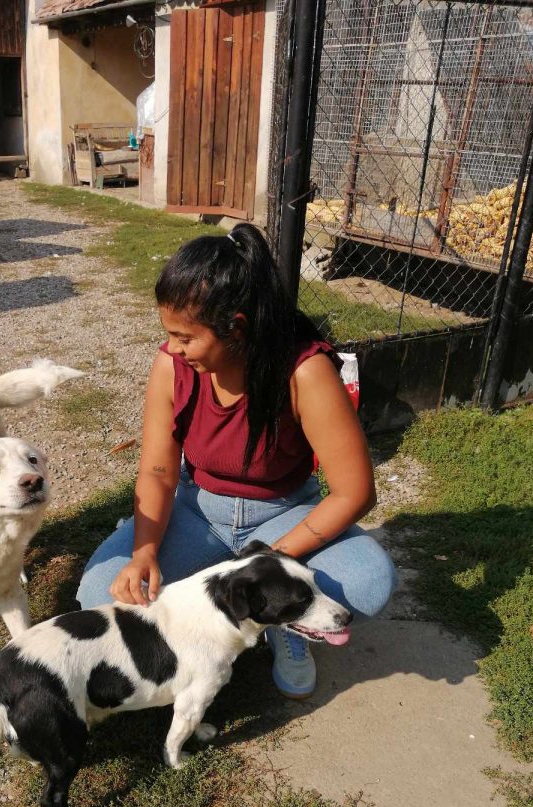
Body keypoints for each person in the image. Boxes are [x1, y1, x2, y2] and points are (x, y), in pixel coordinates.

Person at [77, 223, 396, 698]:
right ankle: (206, 626)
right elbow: (160, 470)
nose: (174, 349)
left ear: (237, 328)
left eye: (186, 337)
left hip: (285, 513)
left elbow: (355, 492)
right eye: (171, 336)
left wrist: (273, 562)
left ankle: (284, 622)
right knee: (101, 589)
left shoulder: (305, 372)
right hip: (198, 511)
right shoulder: (172, 365)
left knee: (367, 582)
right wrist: (144, 550)